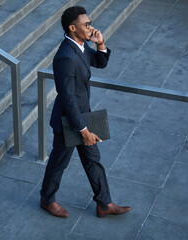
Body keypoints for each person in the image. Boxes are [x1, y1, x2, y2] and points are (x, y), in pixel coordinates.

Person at [40, 6, 131, 218]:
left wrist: (100, 44)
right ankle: (46, 199)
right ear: (73, 28)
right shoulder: (66, 56)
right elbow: (68, 97)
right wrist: (83, 130)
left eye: (90, 23)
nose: (91, 27)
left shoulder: (79, 47)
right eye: (86, 25)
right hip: (69, 122)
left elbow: (100, 62)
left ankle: (104, 204)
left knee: (93, 160)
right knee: (58, 163)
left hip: (83, 116)